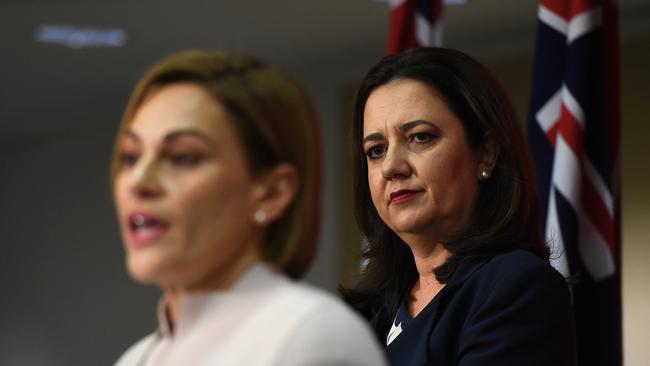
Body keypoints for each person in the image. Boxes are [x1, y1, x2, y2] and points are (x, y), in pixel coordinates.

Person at [111, 49, 386, 366]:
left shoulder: (311, 336)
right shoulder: (136, 358)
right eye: (130, 157)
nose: (138, 181)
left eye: (182, 157)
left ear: (272, 193)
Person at [340, 47, 577, 366]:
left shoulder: (515, 287)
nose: (391, 167)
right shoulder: (365, 314)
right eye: (376, 150)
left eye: (419, 137)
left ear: (485, 153)